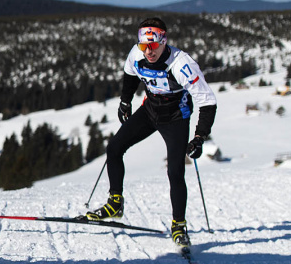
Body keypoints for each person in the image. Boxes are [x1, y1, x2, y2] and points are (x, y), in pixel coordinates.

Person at [86, 17, 217, 247]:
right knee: (114, 148)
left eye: (154, 45)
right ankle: (115, 203)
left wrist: (199, 136)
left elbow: (207, 101)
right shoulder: (137, 54)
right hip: (150, 110)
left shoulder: (181, 64)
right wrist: (125, 101)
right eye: (144, 45)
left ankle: (178, 225)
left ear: (164, 41)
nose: (149, 51)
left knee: (175, 172)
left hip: (176, 118)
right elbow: (129, 74)